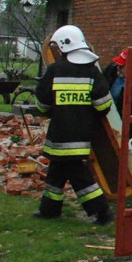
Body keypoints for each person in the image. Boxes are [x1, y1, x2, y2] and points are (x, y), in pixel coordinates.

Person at [33, 25, 115, 225]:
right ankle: (49, 210)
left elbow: (41, 105)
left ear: (62, 46)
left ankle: (103, 212)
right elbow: (104, 105)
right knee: (56, 173)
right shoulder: (92, 73)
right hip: (81, 136)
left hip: (59, 135)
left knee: (79, 177)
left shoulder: (53, 71)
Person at [102, 50, 132, 141]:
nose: (119, 68)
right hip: (104, 117)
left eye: (122, 66)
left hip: (120, 123)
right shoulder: (111, 70)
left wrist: (130, 133)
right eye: (120, 65)